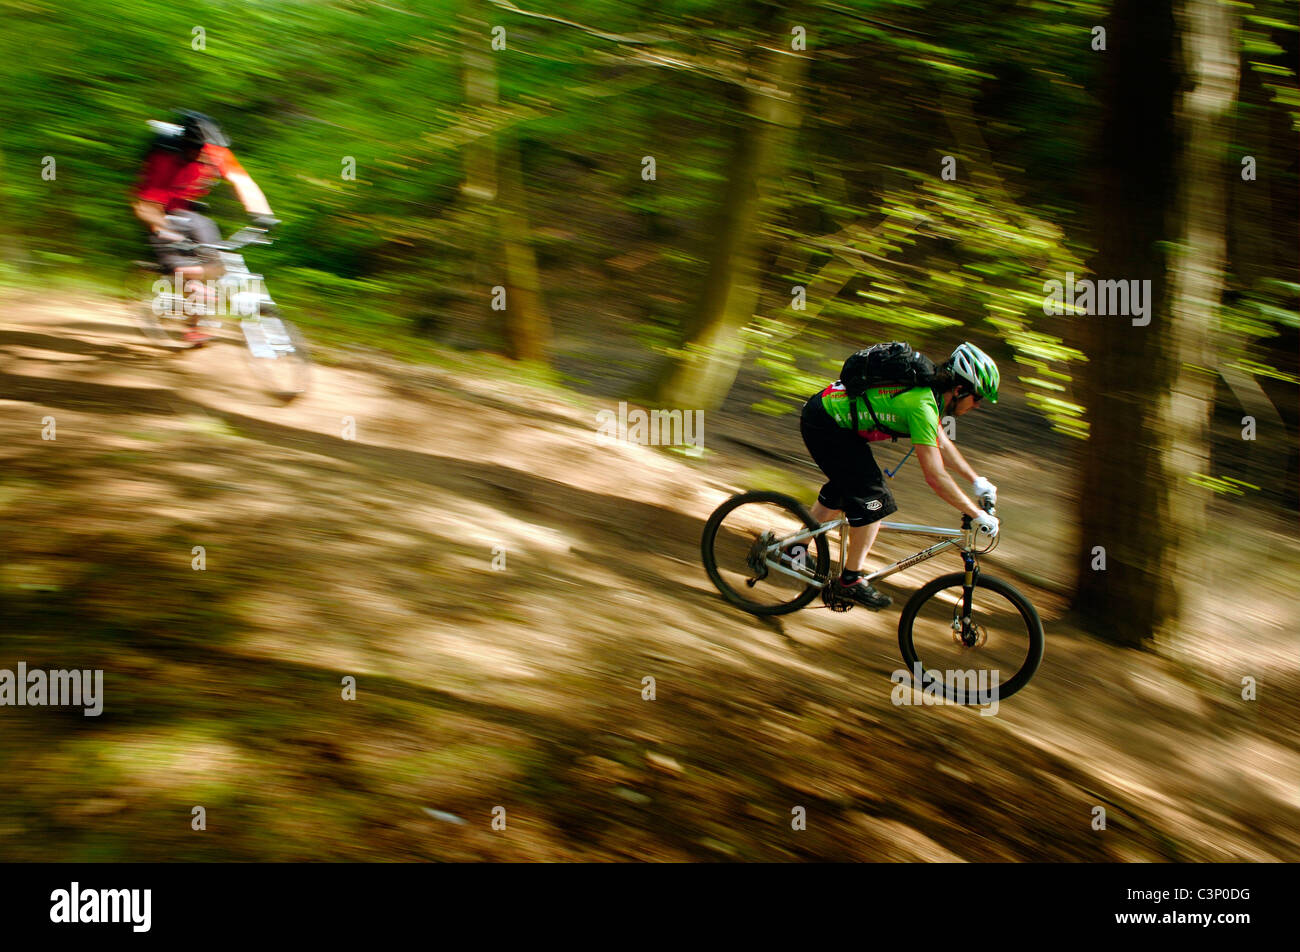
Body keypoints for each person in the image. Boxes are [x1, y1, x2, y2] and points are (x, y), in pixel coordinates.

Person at [797, 342, 1002, 609]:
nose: (977, 406)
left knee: (850, 486)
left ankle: (794, 549)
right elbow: (935, 476)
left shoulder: (929, 393)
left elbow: (941, 443)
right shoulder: (923, 405)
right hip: (826, 424)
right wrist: (977, 514)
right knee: (875, 501)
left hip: (833, 421)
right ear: (960, 389)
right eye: (977, 398)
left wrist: (977, 482)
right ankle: (850, 581)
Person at [132, 110, 276, 343]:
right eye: (198, 152)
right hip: (159, 211)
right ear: (187, 146)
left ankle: (199, 309)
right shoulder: (165, 157)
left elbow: (243, 181)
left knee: (216, 259)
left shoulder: (215, 150)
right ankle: (193, 307)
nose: (206, 159)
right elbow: (146, 206)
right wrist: (172, 237)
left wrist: (263, 215)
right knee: (182, 263)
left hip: (190, 210)